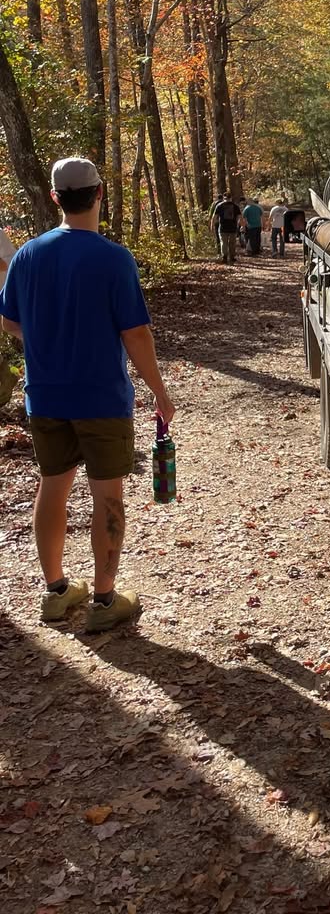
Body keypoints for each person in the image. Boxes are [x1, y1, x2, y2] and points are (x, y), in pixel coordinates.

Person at [0, 157, 176, 631]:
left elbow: (10, 321)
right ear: (100, 194)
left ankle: (56, 592)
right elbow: (135, 334)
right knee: (107, 495)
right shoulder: (112, 258)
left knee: (53, 484)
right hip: (100, 398)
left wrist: (43, 345)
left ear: (56, 198)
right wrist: (158, 390)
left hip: (46, 396)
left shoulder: (27, 256)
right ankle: (103, 600)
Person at [210, 193, 242, 264]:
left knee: (223, 243)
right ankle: (232, 257)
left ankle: (224, 257)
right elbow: (240, 217)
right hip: (233, 228)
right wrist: (241, 225)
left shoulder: (219, 206)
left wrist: (212, 225)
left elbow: (214, 217)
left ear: (224, 198)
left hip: (222, 228)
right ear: (231, 198)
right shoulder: (235, 206)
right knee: (232, 243)